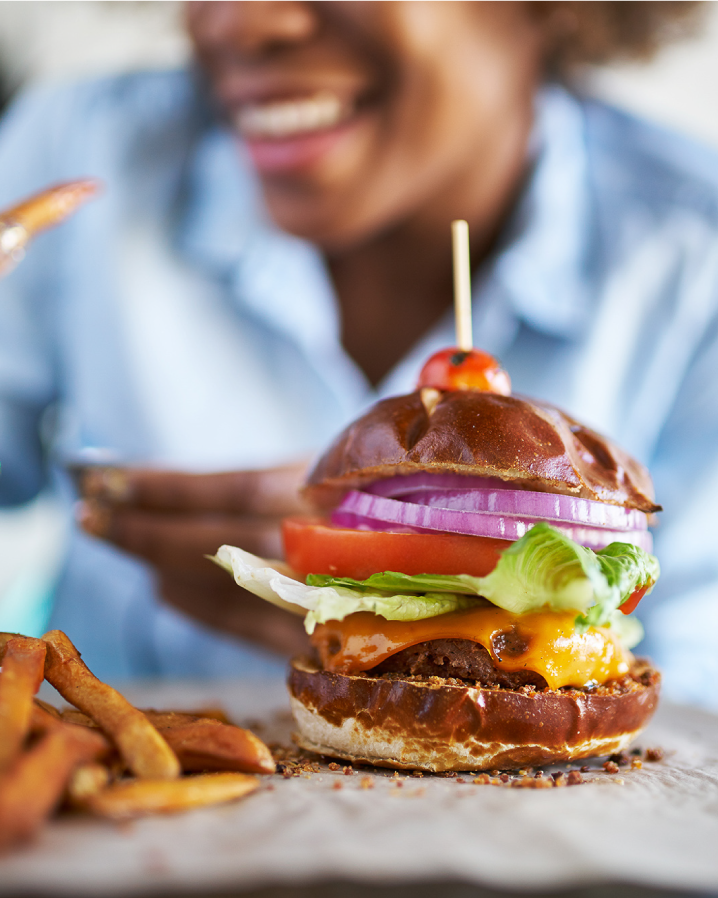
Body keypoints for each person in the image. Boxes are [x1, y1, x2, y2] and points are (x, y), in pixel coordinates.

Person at [0, 2, 715, 706]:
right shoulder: (81, 150)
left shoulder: (693, 252)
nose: (237, 22)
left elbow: (696, 697)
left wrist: (438, 598)